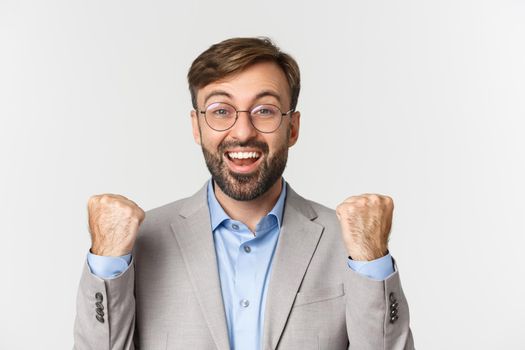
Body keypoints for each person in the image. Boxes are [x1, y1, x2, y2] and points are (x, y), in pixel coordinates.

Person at [74, 37, 415, 350]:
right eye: (221, 111)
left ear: (292, 127)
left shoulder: (349, 245)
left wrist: (372, 265)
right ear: (197, 126)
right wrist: (107, 261)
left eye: (264, 111)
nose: (242, 132)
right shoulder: (140, 241)